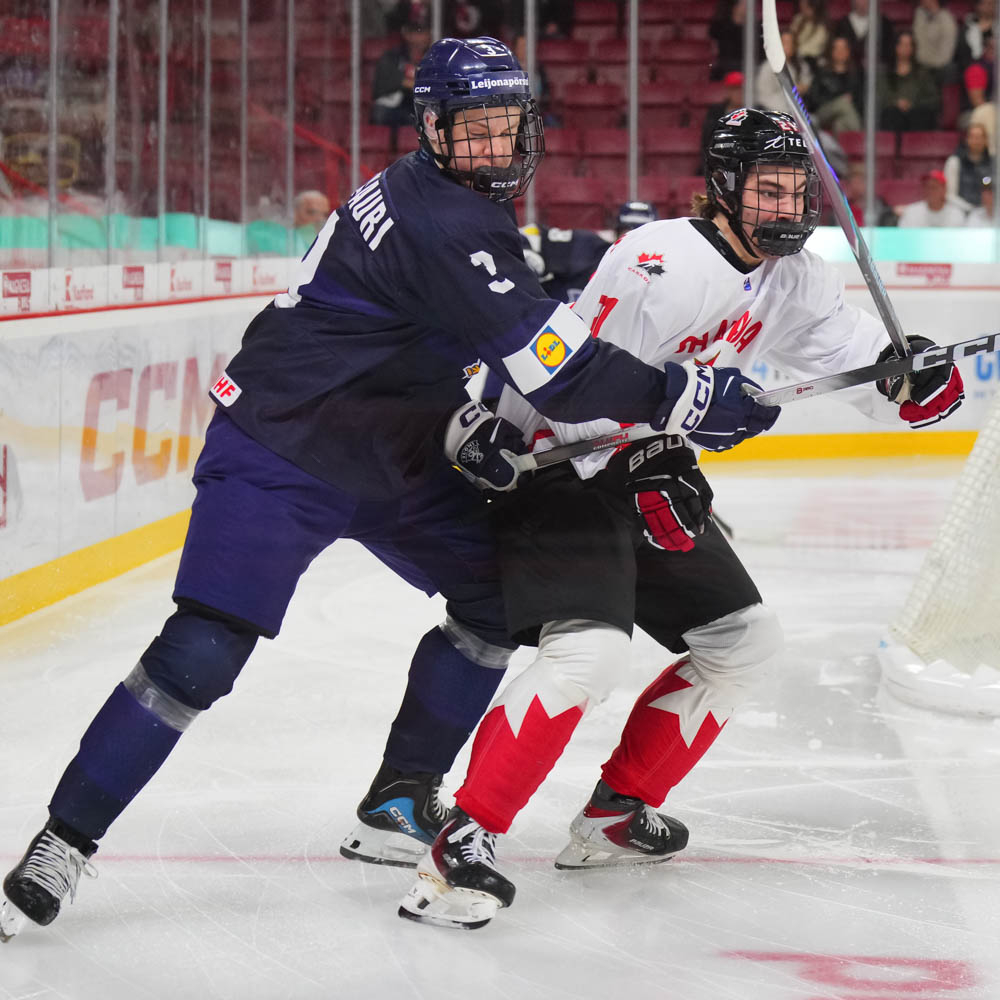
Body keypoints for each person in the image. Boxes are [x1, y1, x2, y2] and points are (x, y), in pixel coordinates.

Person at [0, 37, 773, 941]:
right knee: (205, 650)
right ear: (433, 130)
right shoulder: (445, 220)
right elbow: (551, 371)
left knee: (495, 605)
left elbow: (459, 336)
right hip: (282, 452)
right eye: (472, 131)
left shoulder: (442, 201)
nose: (492, 148)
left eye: (506, 129)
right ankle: (64, 839)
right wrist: (685, 391)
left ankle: (398, 800)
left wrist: (473, 414)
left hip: (396, 457)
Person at [396, 108, 966, 930]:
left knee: (745, 644)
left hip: (645, 470)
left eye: (797, 189)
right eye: (769, 190)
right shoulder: (657, 262)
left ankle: (612, 815)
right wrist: (658, 436)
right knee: (588, 653)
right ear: (725, 188)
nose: (790, 208)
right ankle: (462, 843)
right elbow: (574, 391)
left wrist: (908, 379)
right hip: (553, 472)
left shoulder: (798, 275)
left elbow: (857, 365)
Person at [520, 200, 658, 303]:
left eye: (643, 234)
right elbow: (531, 233)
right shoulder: (587, 248)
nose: (633, 240)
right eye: (628, 232)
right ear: (616, 232)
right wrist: (528, 253)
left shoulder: (660, 279)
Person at [370, 6, 432, 127]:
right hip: (395, 108)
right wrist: (409, 83)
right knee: (380, 112)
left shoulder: (434, 58)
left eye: (422, 32)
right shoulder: (393, 56)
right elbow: (384, 85)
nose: (418, 37)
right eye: (415, 32)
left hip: (420, 106)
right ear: (406, 33)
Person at [878, 30, 941, 133]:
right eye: (902, 44)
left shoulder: (923, 73)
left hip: (916, 116)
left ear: (913, 48)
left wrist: (912, 105)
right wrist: (895, 103)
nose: (905, 48)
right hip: (892, 115)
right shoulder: (885, 74)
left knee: (920, 115)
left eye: (908, 45)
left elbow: (933, 99)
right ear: (896, 47)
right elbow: (879, 97)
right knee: (891, 114)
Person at [808, 34, 864, 134]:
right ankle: (861, 136)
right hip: (823, 112)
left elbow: (861, 100)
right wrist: (838, 100)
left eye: (843, 48)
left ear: (848, 51)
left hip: (847, 113)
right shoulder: (822, 73)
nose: (840, 51)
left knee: (840, 124)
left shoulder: (856, 74)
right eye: (836, 48)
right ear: (831, 51)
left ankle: (839, 150)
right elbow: (814, 98)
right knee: (844, 103)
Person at [755, 30, 814, 114]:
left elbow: (807, 84)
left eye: (790, 43)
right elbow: (763, 96)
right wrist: (791, 90)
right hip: (772, 110)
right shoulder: (768, 67)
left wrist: (801, 88)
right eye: (784, 43)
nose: (788, 46)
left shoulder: (801, 65)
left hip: (798, 111)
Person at [944, 122, 992, 210]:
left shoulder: (995, 164)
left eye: (980, 137)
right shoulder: (954, 162)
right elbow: (949, 195)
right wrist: (969, 209)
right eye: (973, 137)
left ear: (986, 140)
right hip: (960, 211)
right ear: (967, 139)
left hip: (989, 213)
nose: (977, 140)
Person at [832, 0, 895, 67]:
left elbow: (889, 52)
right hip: (848, 72)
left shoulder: (883, 24)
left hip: (875, 71)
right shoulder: (842, 24)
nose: (863, 2)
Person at [897, 168, 968, 225]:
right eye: (926, 187)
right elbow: (903, 238)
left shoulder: (956, 214)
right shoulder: (911, 212)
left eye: (934, 187)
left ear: (944, 189)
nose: (929, 191)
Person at [912, 0, 958, 83]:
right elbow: (918, 41)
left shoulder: (946, 19)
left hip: (939, 66)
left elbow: (945, 54)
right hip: (921, 63)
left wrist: (927, 65)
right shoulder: (920, 13)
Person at [700, 70, 744, 149]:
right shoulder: (715, 113)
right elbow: (708, 140)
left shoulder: (757, 110)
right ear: (727, 91)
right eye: (735, 89)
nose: (739, 93)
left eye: (742, 89)